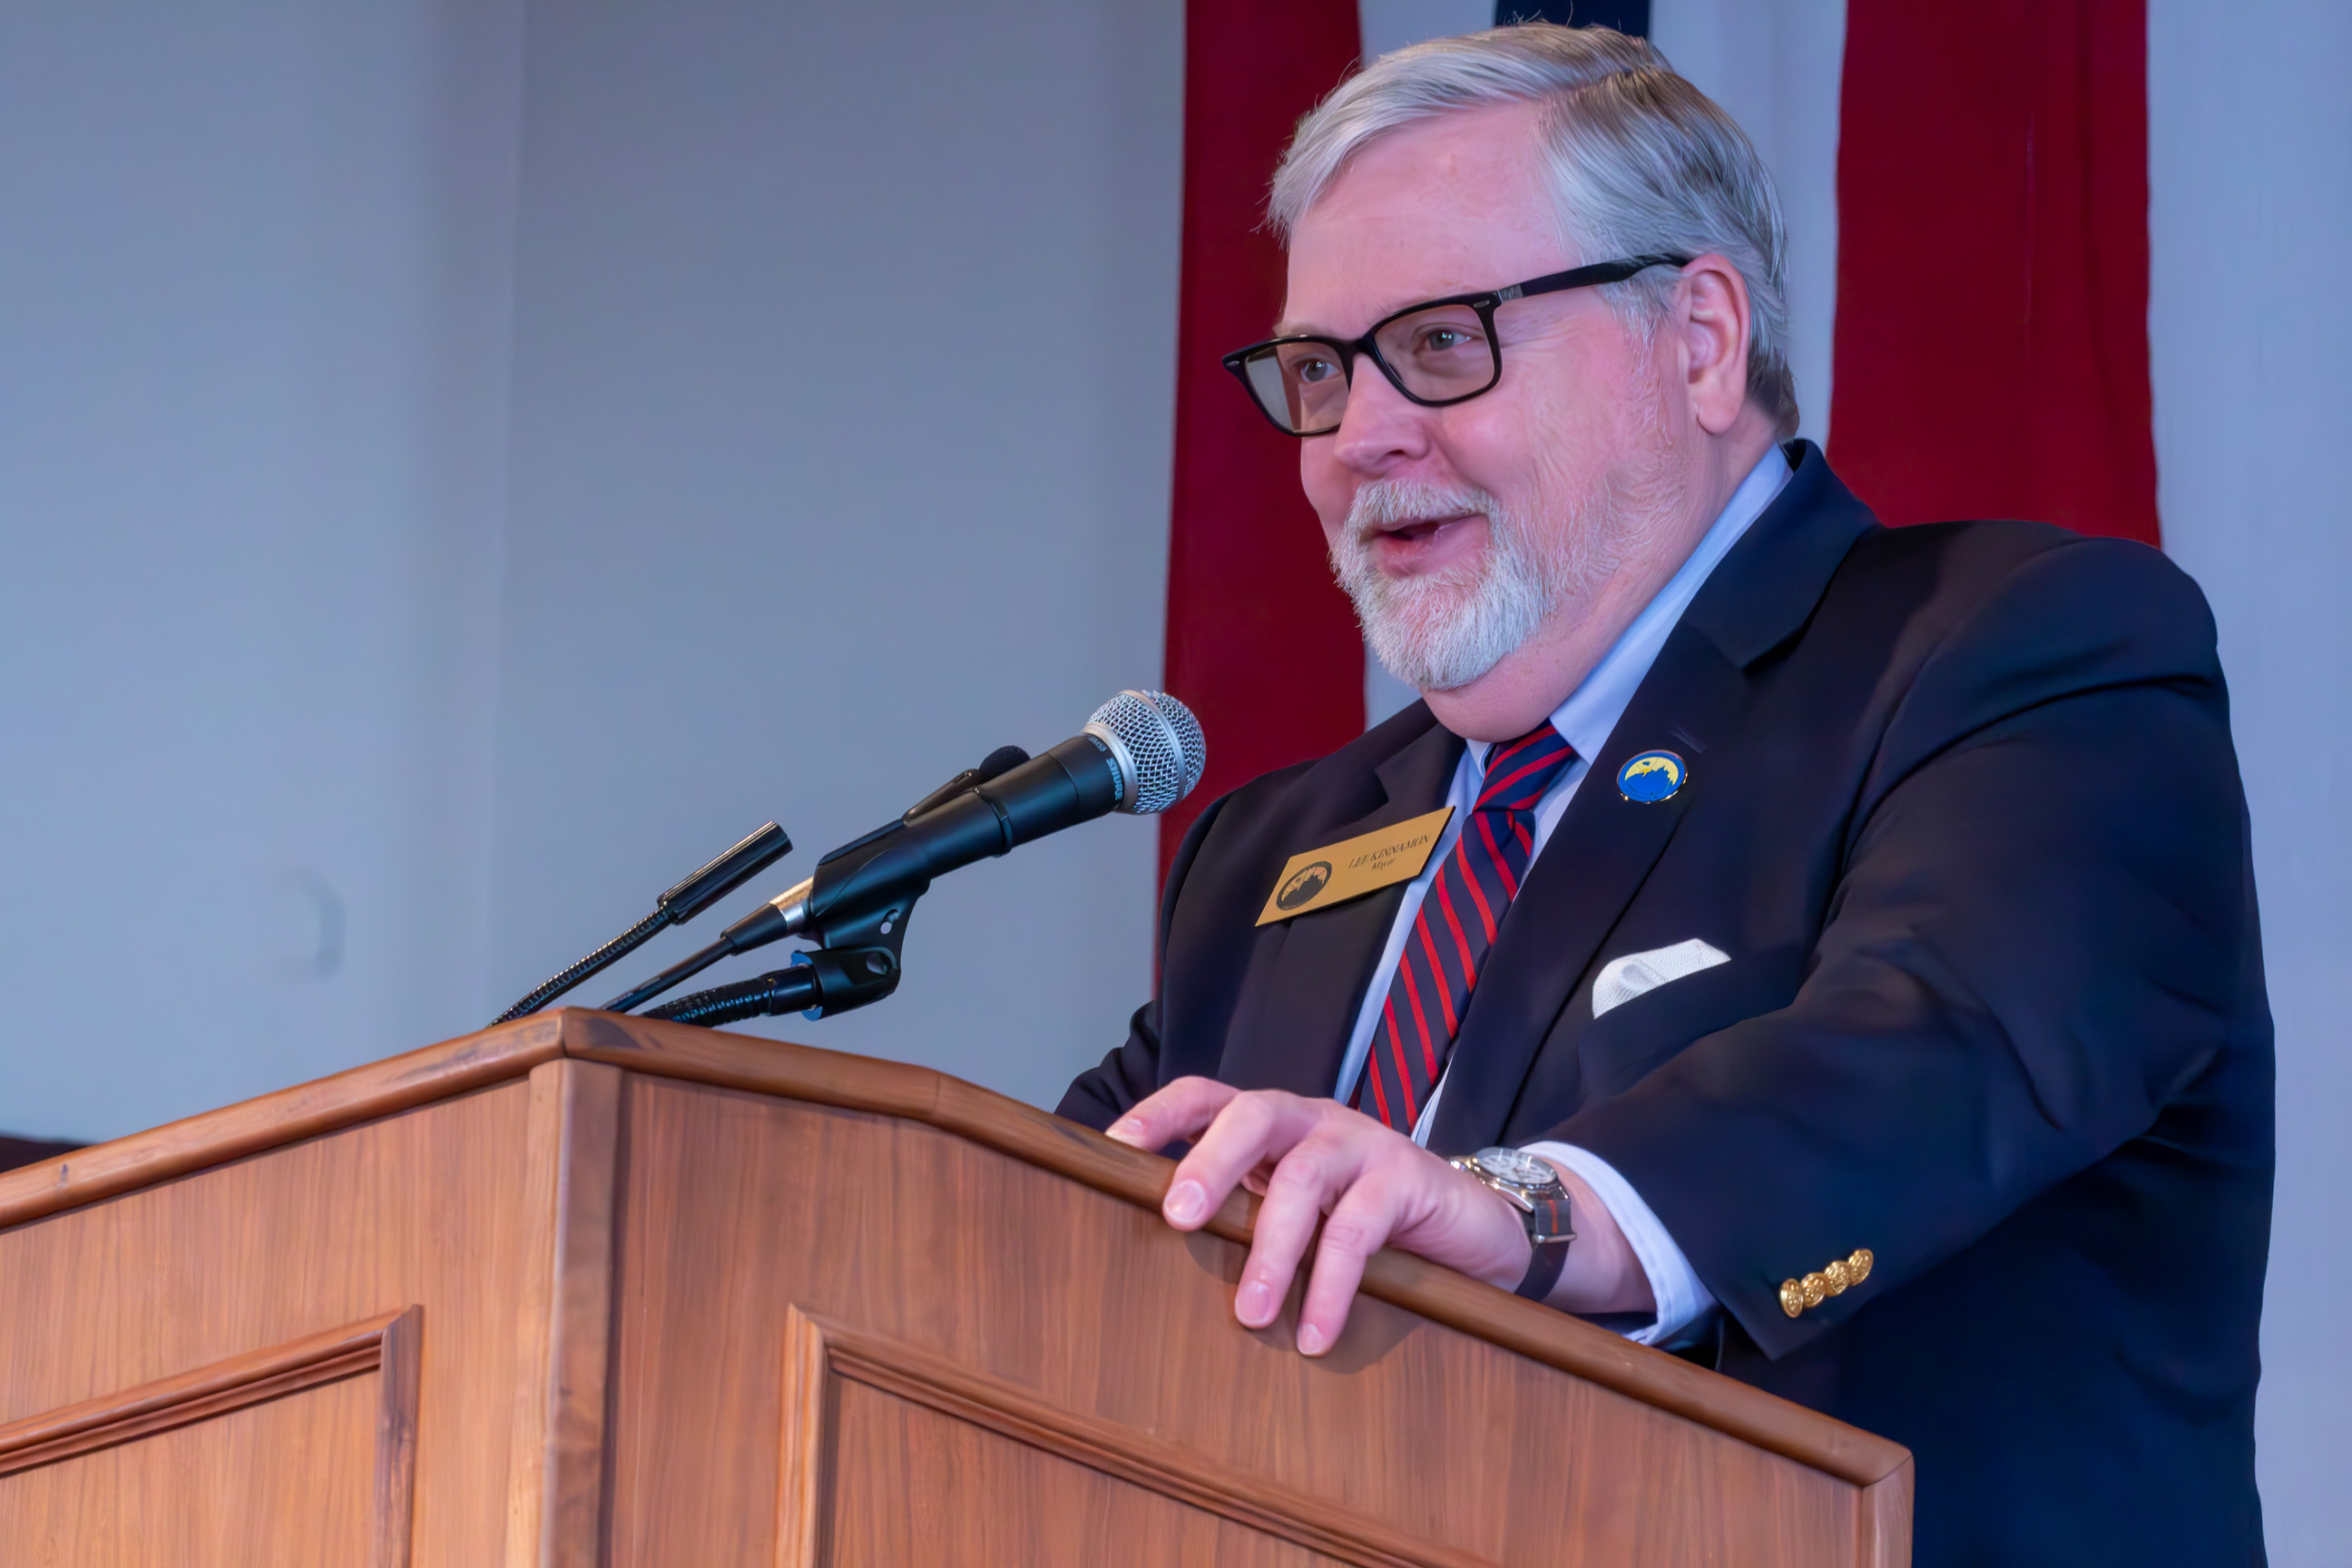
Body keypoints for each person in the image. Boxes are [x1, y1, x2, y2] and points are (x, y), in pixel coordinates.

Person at [1057, 24, 2270, 1567]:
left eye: (1441, 344)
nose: (1360, 437)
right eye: (1317, 370)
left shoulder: (2020, 650)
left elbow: (1936, 1047)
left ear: (1698, 339)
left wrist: (1520, 1212)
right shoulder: (1272, 848)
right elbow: (1052, 1238)